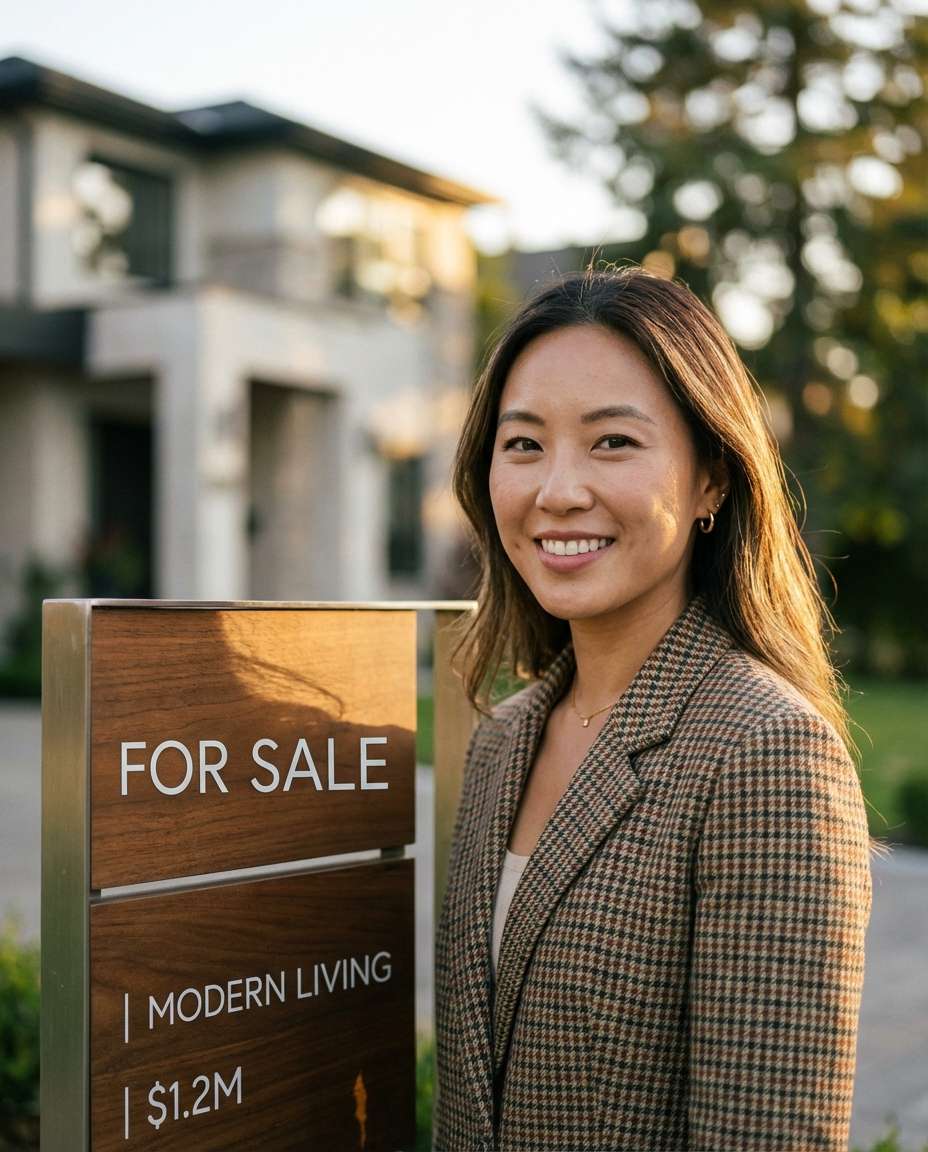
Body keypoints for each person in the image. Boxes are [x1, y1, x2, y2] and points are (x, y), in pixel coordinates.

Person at [434, 266, 873, 1152]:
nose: (556, 490)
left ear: (711, 480)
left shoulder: (765, 753)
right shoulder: (502, 743)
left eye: (612, 443)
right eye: (523, 445)